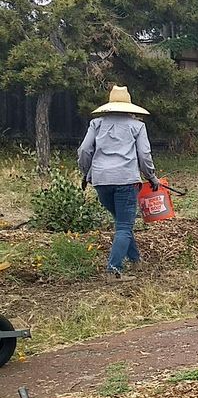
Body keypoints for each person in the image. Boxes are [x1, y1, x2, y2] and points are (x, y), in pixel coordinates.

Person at [77, 85, 160, 280]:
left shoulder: (96, 124)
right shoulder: (137, 126)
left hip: (101, 181)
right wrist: (151, 177)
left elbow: (84, 150)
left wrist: (86, 173)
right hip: (125, 181)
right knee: (124, 225)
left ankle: (135, 259)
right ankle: (113, 270)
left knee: (122, 222)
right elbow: (144, 155)